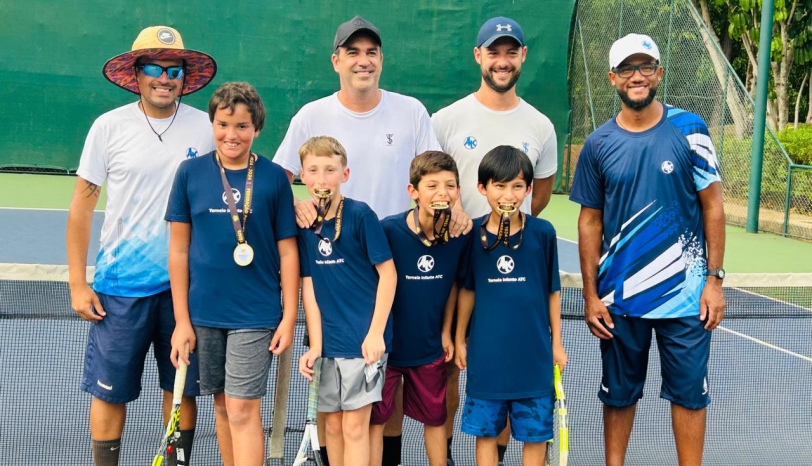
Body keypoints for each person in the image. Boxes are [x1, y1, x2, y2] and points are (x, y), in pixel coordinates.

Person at [273, 16, 471, 464]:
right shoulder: (312, 116)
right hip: (335, 273)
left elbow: (433, 172)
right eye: (354, 53)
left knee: (388, 374)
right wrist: (294, 203)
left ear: (381, 60)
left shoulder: (411, 111)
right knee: (336, 386)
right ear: (336, 61)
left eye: (372, 53)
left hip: (395, 267)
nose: (364, 61)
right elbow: (277, 179)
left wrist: (454, 208)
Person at [569, 33, 726, 466]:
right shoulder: (598, 144)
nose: (636, 76)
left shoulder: (690, 129)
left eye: (645, 67)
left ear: (658, 74)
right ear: (612, 78)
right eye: (627, 69)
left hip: (687, 298)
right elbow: (589, 221)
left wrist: (714, 281)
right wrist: (590, 295)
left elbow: (713, 207)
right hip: (620, 299)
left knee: (690, 397)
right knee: (618, 396)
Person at [66, 25, 217, 465]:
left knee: (182, 387)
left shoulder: (206, 128)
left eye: (174, 69)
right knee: (110, 392)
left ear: (184, 77)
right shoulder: (108, 127)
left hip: (185, 290)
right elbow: (81, 207)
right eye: (154, 67)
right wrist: (78, 281)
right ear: (137, 73)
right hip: (120, 287)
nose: (164, 77)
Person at [431, 16, 558, 464]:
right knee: (446, 362)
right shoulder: (445, 119)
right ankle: (445, 454)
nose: (502, 61)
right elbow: (433, 183)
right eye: (493, 51)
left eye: (511, 52)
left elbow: (539, 195)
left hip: (507, 267)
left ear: (522, 56)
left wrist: (504, 238)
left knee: (509, 366)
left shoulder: (541, 125)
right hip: (453, 262)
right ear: (478, 56)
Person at [165, 82, 299, 466]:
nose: (231, 135)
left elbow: (288, 252)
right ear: (212, 123)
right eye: (223, 124)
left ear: (256, 128)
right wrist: (181, 321)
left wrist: (289, 316)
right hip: (204, 314)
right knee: (222, 407)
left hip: (255, 315)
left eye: (242, 126)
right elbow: (178, 250)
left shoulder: (274, 178)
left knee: (242, 409)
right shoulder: (190, 174)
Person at [455, 145, 566, 466]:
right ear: (482, 188)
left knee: (535, 437)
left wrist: (556, 344)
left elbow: (552, 291)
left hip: (534, 359)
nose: (509, 194)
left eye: (517, 186)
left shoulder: (543, 233)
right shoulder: (472, 235)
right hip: (486, 358)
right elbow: (467, 290)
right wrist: (460, 337)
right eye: (499, 185)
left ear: (529, 189)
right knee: (486, 434)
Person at [296, 136, 397, 466]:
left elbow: (389, 275)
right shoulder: (304, 224)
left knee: (356, 426)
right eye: (313, 170)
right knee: (335, 426)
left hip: (362, 342)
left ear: (345, 173)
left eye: (330, 170)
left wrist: (375, 333)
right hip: (328, 344)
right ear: (302, 176)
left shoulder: (360, 215)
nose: (322, 179)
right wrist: (315, 345)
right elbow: (308, 288)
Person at [369, 151, 472, 466]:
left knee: (436, 419)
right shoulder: (387, 230)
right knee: (377, 419)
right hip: (386, 348)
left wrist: (448, 333)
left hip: (429, 349)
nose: (442, 192)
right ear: (413, 192)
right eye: (432, 185)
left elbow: (456, 285)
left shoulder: (459, 236)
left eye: (450, 186)